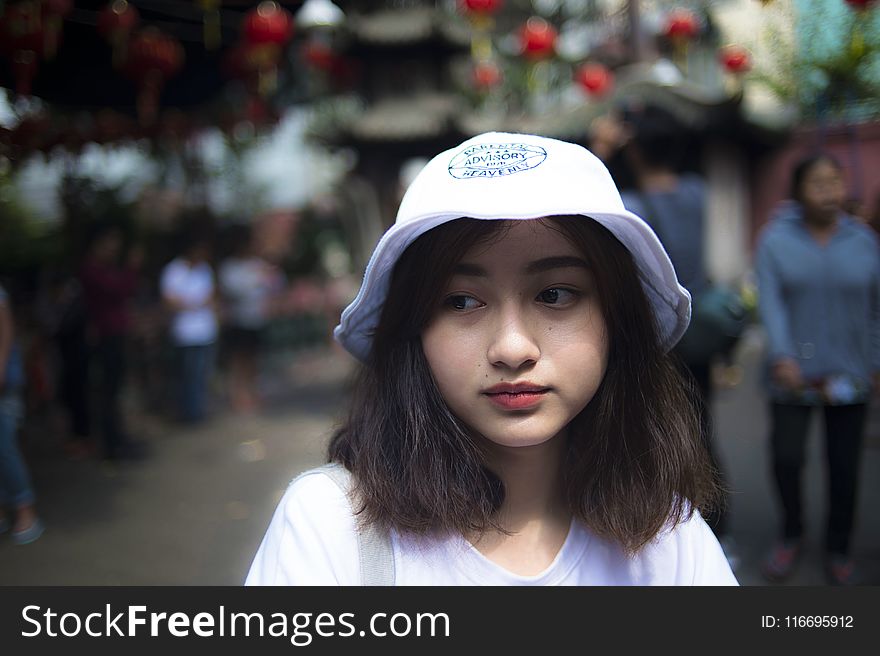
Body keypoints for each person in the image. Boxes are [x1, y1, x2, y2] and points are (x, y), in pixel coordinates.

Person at [245, 132, 737, 585]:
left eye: (556, 294)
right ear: (413, 328)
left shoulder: (667, 537)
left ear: (617, 318)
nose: (512, 348)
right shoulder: (330, 527)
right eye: (461, 301)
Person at [590, 105, 738, 569]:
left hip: (656, 340)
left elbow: (585, 206)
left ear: (633, 148)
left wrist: (602, 150)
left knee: (661, 431)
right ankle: (719, 531)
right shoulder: (697, 192)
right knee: (701, 425)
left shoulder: (628, 206)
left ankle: (679, 533)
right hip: (698, 328)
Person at [755, 153, 880, 586]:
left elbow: (875, 309)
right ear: (798, 190)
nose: (829, 192)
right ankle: (792, 533)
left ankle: (839, 546)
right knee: (787, 459)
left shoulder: (863, 241)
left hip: (851, 375)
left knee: (844, 466)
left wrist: (876, 361)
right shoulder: (775, 240)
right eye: (818, 183)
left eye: (835, 182)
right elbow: (770, 305)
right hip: (792, 374)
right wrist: (783, 355)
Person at [79, 224, 147, 462]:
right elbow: (120, 289)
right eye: (108, 243)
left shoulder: (106, 269)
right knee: (108, 392)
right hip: (105, 339)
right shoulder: (92, 270)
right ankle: (112, 445)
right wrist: (132, 267)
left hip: (116, 337)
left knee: (116, 391)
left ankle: (119, 439)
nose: (112, 249)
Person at [218, 225, 284, 413]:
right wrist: (257, 281)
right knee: (239, 360)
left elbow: (275, 284)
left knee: (254, 359)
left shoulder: (257, 264)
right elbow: (235, 290)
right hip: (238, 321)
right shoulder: (230, 266)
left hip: (256, 319)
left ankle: (254, 392)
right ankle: (238, 395)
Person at [0, 283, 45, 545]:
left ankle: (25, 509)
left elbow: (6, 334)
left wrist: (2, 369)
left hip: (3, 386)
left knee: (5, 447)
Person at [160, 231, 219, 424]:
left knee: (202, 374)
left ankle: (199, 410)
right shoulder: (173, 270)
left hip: (205, 331)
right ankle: (188, 413)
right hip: (184, 333)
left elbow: (209, 298)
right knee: (187, 376)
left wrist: (188, 303)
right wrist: (194, 303)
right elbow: (170, 301)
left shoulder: (205, 270)